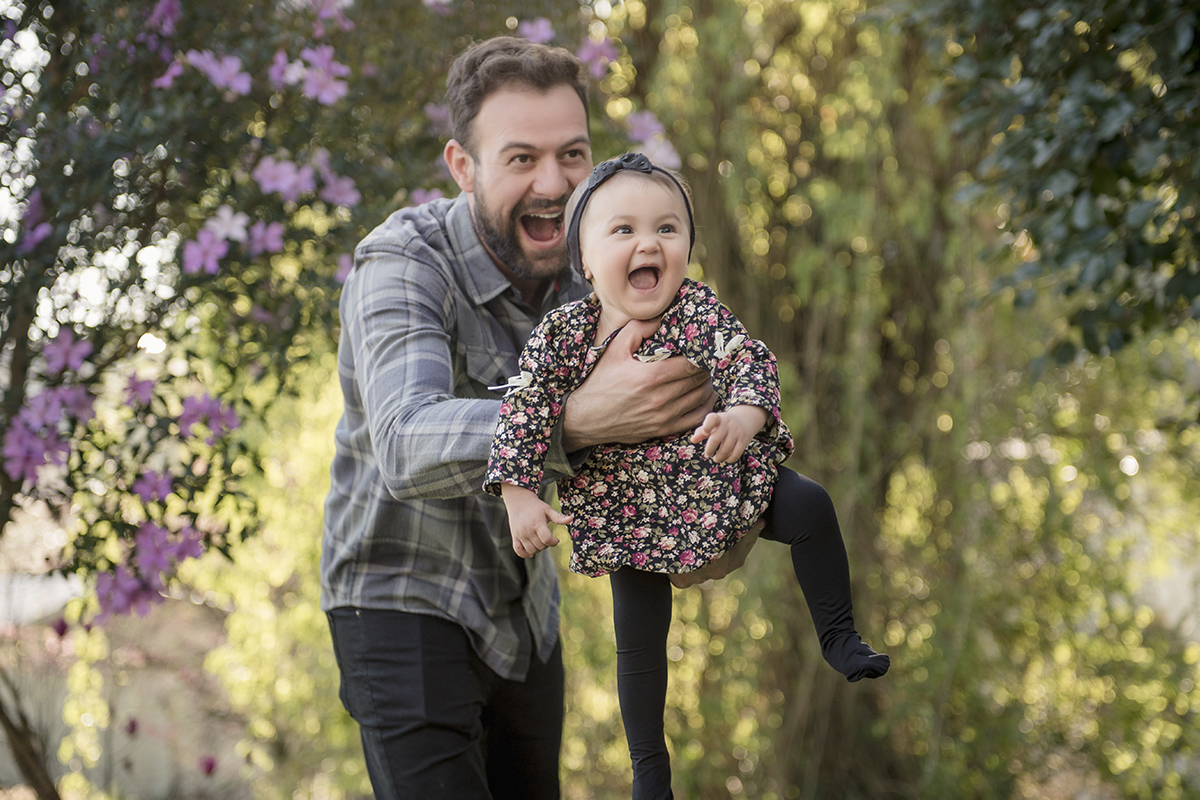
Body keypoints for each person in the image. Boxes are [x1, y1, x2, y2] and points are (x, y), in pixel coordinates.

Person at [320, 37, 752, 800]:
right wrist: (575, 420)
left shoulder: (601, 273)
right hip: (399, 600)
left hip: (525, 617)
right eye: (521, 158)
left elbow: (678, 428)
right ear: (464, 167)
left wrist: (716, 508)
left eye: (573, 155)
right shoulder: (404, 263)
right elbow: (403, 438)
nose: (554, 184)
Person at [484, 153, 890, 799]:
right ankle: (650, 773)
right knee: (639, 642)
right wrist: (519, 493)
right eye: (623, 230)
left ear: (687, 250)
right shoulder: (563, 334)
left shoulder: (696, 310)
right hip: (625, 503)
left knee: (810, 504)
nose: (649, 242)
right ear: (584, 260)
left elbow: (744, 356)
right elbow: (525, 409)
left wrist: (746, 414)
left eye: (667, 229)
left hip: (713, 476)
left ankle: (839, 636)